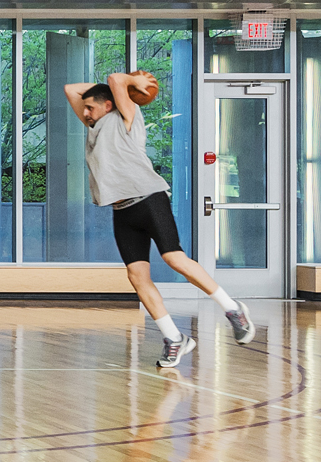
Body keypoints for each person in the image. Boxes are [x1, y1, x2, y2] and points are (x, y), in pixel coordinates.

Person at [64, 69, 255, 369]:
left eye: (91, 107)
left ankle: (233, 310)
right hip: (121, 210)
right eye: (85, 109)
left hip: (150, 199)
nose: (84, 112)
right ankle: (174, 338)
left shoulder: (127, 115)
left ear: (109, 105)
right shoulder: (93, 126)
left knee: (174, 258)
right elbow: (70, 89)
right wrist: (107, 90)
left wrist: (130, 83)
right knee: (136, 277)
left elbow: (115, 80)